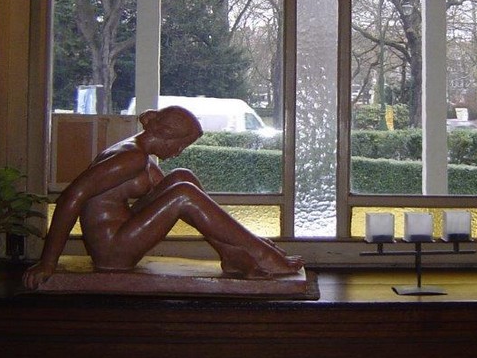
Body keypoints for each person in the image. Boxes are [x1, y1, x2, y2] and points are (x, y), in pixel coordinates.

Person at [23, 106, 302, 289]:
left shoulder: (142, 155)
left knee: (183, 177)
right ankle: (261, 253)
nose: (179, 151)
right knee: (184, 193)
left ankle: (233, 254)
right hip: (113, 250)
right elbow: (72, 197)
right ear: (165, 136)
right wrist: (48, 261)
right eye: (180, 144)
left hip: (124, 232)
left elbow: (174, 195)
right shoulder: (130, 158)